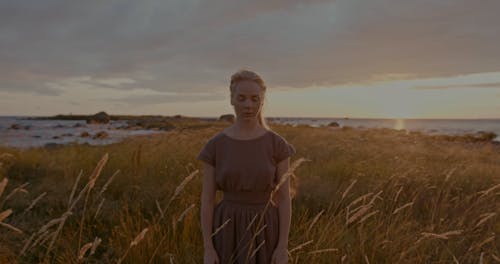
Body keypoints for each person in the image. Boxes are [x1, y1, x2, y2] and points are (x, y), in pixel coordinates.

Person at [198, 69, 296, 264]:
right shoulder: (215, 145)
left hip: (266, 227)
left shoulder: (277, 144)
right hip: (226, 228)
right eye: (241, 98)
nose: (248, 105)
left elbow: (284, 199)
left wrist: (282, 247)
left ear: (262, 101)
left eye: (254, 99)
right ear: (232, 99)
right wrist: (208, 248)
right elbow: (207, 200)